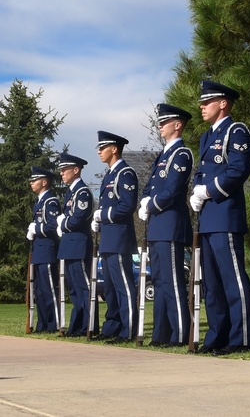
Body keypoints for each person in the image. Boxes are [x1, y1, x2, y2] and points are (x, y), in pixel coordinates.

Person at [189, 80, 250, 355]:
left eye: (207, 102)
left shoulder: (235, 130)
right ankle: (217, 335)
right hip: (209, 216)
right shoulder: (207, 136)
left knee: (232, 279)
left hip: (225, 214)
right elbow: (202, 171)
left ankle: (241, 336)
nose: (202, 106)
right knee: (212, 283)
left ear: (223, 103)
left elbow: (238, 169)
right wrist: (197, 188)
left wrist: (208, 190)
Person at [138, 103, 194, 347]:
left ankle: (180, 333)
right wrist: (144, 201)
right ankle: (161, 334)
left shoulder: (182, 154)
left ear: (177, 125)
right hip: (157, 226)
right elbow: (149, 187)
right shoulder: (162, 156)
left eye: (164, 122)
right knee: (159, 281)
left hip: (170, 224)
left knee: (172, 281)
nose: (159, 125)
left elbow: (171, 190)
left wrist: (151, 204)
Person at [92, 130, 139, 342]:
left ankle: (128, 329)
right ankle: (112, 326)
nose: (100, 151)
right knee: (110, 288)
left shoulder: (125, 173)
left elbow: (127, 206)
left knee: (123, 287)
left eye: (103, 147)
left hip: (120, 238)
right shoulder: (110, 175)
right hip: (108, 239)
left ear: (114, 149)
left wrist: (103, 215)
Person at [56, 152, 97, 336]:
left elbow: (77, 219)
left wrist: (62, 223)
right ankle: (78, 326)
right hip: (70, 245)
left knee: (84, 287)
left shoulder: (82, 192)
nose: (62, 173)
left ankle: (89, 325)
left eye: (64, 169)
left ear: (76, 170)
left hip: (79, 245)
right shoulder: (71, 192)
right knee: (74, 289)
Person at [27, 166, 61, 333]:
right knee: (39, 291)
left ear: (44, 182)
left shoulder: (50, 201)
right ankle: (43, 324)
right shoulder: (39, 201)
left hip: (47, 251)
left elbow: (53, 226)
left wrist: (37, 229)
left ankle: (53, 324)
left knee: (49, 290)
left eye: (35, 180)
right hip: (39, 251)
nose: (31, 183)